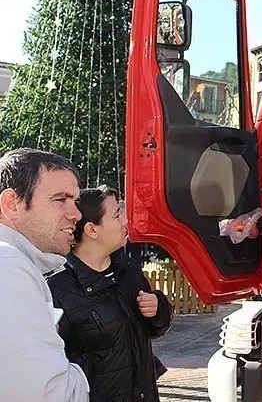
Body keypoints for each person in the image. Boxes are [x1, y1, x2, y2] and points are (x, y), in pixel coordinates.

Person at [48, 186, 173, 402]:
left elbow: (154, 329)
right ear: (92, 230)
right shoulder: (58, 288)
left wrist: (157, 309)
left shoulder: (127, 269)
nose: (125, 221)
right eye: (117, 215)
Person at [0, 148, 90, 402]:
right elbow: (48, 394)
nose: (76, 215)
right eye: (60, 200)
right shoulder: (10, 265)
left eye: (75, 202)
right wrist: (77, 375)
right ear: (12, 204)